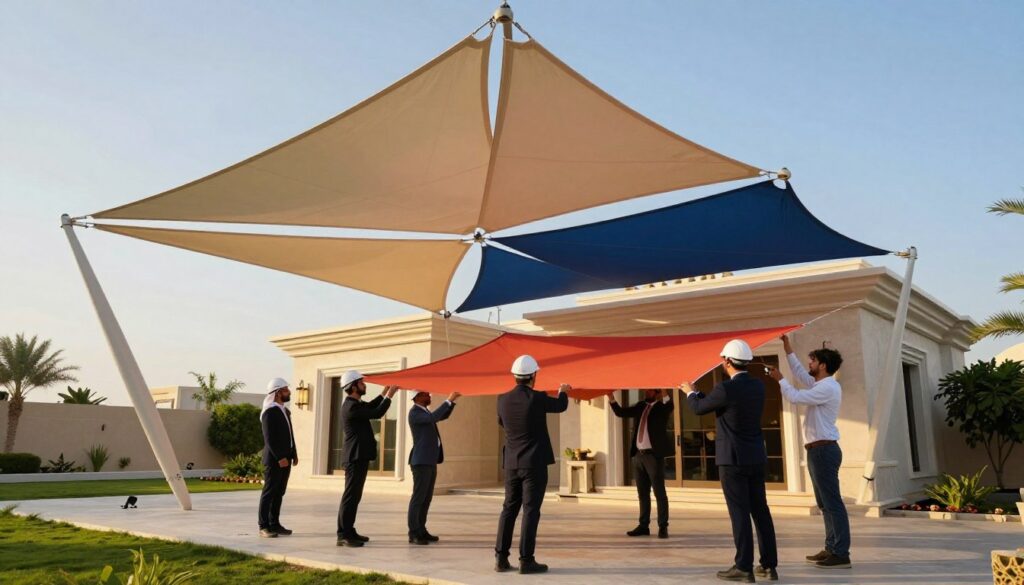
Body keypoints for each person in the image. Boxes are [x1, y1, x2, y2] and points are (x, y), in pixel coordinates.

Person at [682, 340, 779, 583]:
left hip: (733, 461)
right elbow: (718, 403)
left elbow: (698, 408)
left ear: (726, 362)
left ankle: (743, 567)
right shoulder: (758, 386)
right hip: (755, 457)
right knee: (761, 512)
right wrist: (700, 395)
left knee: (740, 514)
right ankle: (769, 566)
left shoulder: (725, 388)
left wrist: (689, 392)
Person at [768, 334, 851, 569]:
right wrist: (787, 348)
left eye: (813, 361)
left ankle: (841, 552)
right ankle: (831, 548)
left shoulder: (828, 387)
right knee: (825, 503)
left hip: (824, 450)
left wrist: (780, 379)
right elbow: (801, 375)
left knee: (832, 503)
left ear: (823, 365)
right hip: (818, 450)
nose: (809, 365)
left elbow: (795, 397)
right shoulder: (820, 384)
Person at [494, 355, 570, 575]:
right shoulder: (537, 398)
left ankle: (501, 558)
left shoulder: (502, 399)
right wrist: (563, 389)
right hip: (534, 464)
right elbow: (561, 405)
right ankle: (526, 560)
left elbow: (502, 422)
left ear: (515, 376)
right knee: (530, 511)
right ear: (533, 376)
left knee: (508, 509)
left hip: (511, 463)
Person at [335, 370, 398, 547]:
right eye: (362, 383)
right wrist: (390, 396)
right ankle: (343, 534)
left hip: (358, 457)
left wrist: (384, 393)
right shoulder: (351, 406)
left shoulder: (355, 404)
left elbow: (370, 407)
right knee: (350, 496)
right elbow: (377, 413)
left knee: (355, 496)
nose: (365, 385)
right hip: (354, 457)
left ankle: (349, 530)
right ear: (354, 386)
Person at [609, 388, 673, 538]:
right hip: (638, 455)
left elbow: (670, 406)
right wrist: (611, 398)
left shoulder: (661, 408)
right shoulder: (640, 406)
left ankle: (663, 526)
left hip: (653, 456)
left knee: (659, 493)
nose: (646, 391)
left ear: (657, 393)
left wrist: (664, 390)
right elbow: (621, 413)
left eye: (650, 390)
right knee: (642, 493)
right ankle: (644, 525)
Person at [407, 389, 461, 545]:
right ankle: (413, 532)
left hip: (429, 461)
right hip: (420, 462)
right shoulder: (415, 413)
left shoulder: (424, 412)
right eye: (425, 394)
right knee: (418, 498)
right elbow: (434, 417)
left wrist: (453, 402)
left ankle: (421, 530)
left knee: (426, 498)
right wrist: (448, 399)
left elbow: (442, 415)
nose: (429, 395)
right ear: (416, 397)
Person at [259, 377, 297, 538]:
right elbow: (270, 438)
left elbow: (289, 435)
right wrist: (280, 456)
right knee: (269, 492)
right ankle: (263, 526)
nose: (289, 392)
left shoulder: (284, 410)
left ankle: (275, 523)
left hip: (286, 458)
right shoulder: (269, 411)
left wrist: (293, 453)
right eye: (286, 390)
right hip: (275, 460)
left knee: (279, 492)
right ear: (277, 392)